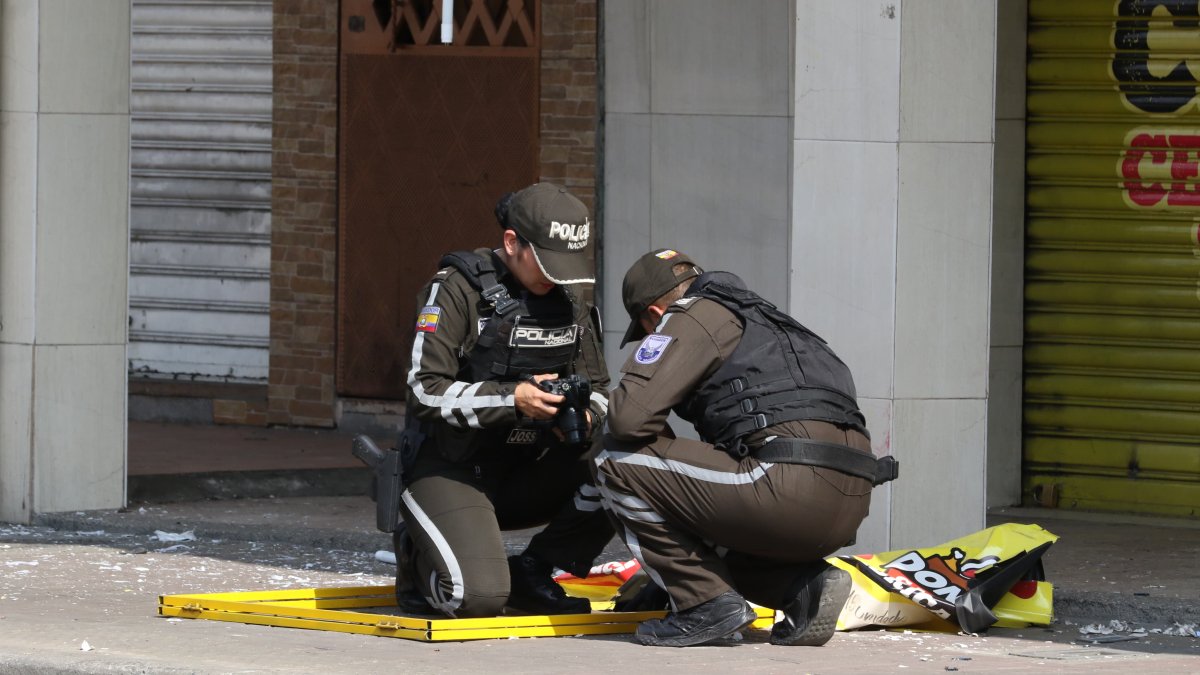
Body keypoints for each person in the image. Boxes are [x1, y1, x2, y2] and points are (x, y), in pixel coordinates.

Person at [594, 248, 897, 647]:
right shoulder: (773, 322)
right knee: (694, 502)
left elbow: (629, 419)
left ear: (654, 313)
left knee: (612, 456)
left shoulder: (691, 313)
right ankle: (803, 586)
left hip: (783, 485)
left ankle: (705, 604)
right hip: (849, 501)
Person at [381, 182, 613, 618]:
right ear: (512, 242)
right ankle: (417, 553)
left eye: (566, 264)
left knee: (630, 454)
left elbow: (600, 390)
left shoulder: (568, 295)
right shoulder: (456, 289)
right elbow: (423, 390)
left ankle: (535, 569)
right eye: (547, 262)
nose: (556, 275)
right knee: (476, 598)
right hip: (450, 469)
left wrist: (577, 413)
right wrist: (514, 398)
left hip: (525, 469)